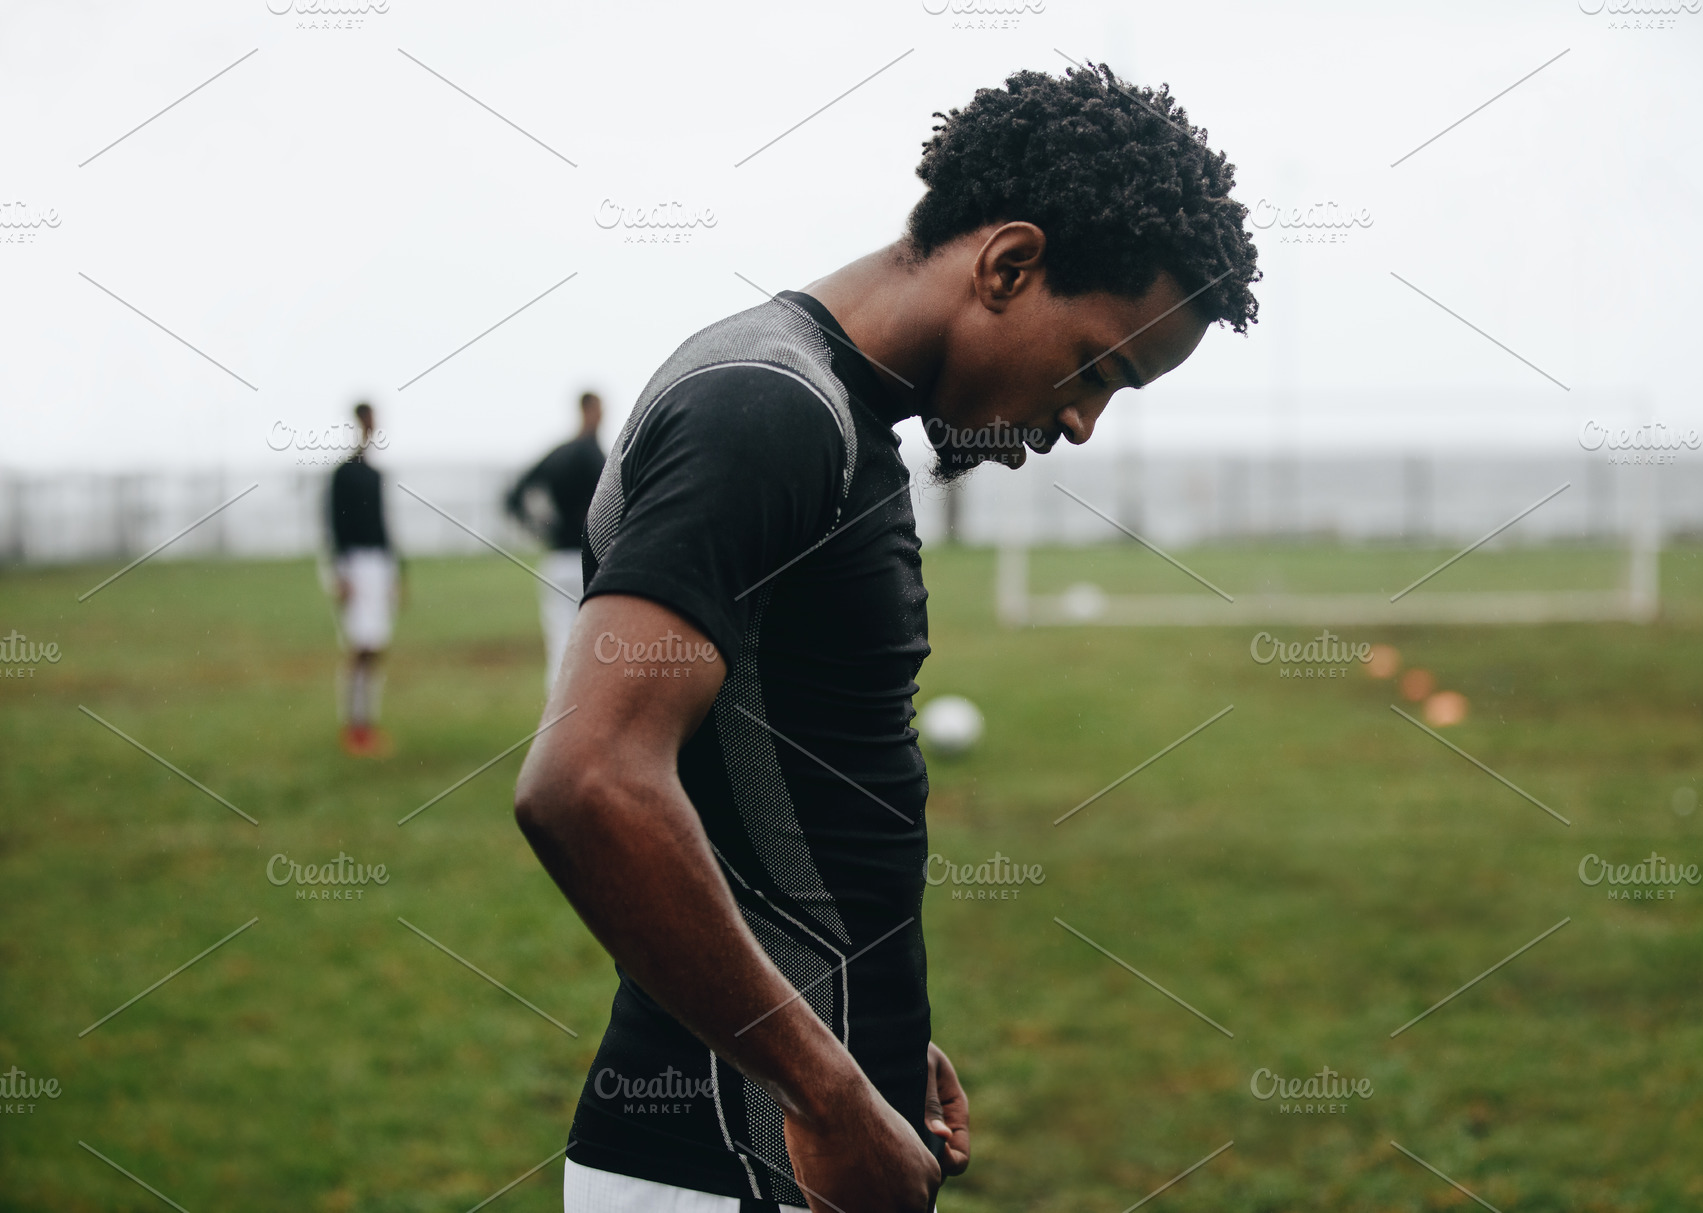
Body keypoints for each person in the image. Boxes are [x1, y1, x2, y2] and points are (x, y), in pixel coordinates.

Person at [513, 62, 1259, 1213]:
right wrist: (823, 1093)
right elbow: (588, 779)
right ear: (1007, 265)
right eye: (1093, 368)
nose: (1078, 423)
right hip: (726, 1162)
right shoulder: (767, 411)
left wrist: (866, 1021)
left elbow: (783, 798)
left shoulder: (835, 414)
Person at [505, 392, 608, 694]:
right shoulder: (597, 457)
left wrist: (543, 529)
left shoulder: (558, 454)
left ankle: (557, 717)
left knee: (560, 643)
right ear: (590, 411)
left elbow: (514, 496)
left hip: (557, 560)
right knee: (595, 645)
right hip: (590, 562)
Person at [327, 402, 400, 758]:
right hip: (354, 564)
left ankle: (367, 722)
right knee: (358, 646)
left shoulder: (375, 475)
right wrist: (339, 574)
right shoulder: (343, 474)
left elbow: (385, 526)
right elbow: (334, 526)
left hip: (378, 565)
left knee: (375, 647)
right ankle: (353, 725)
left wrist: (396, 573)